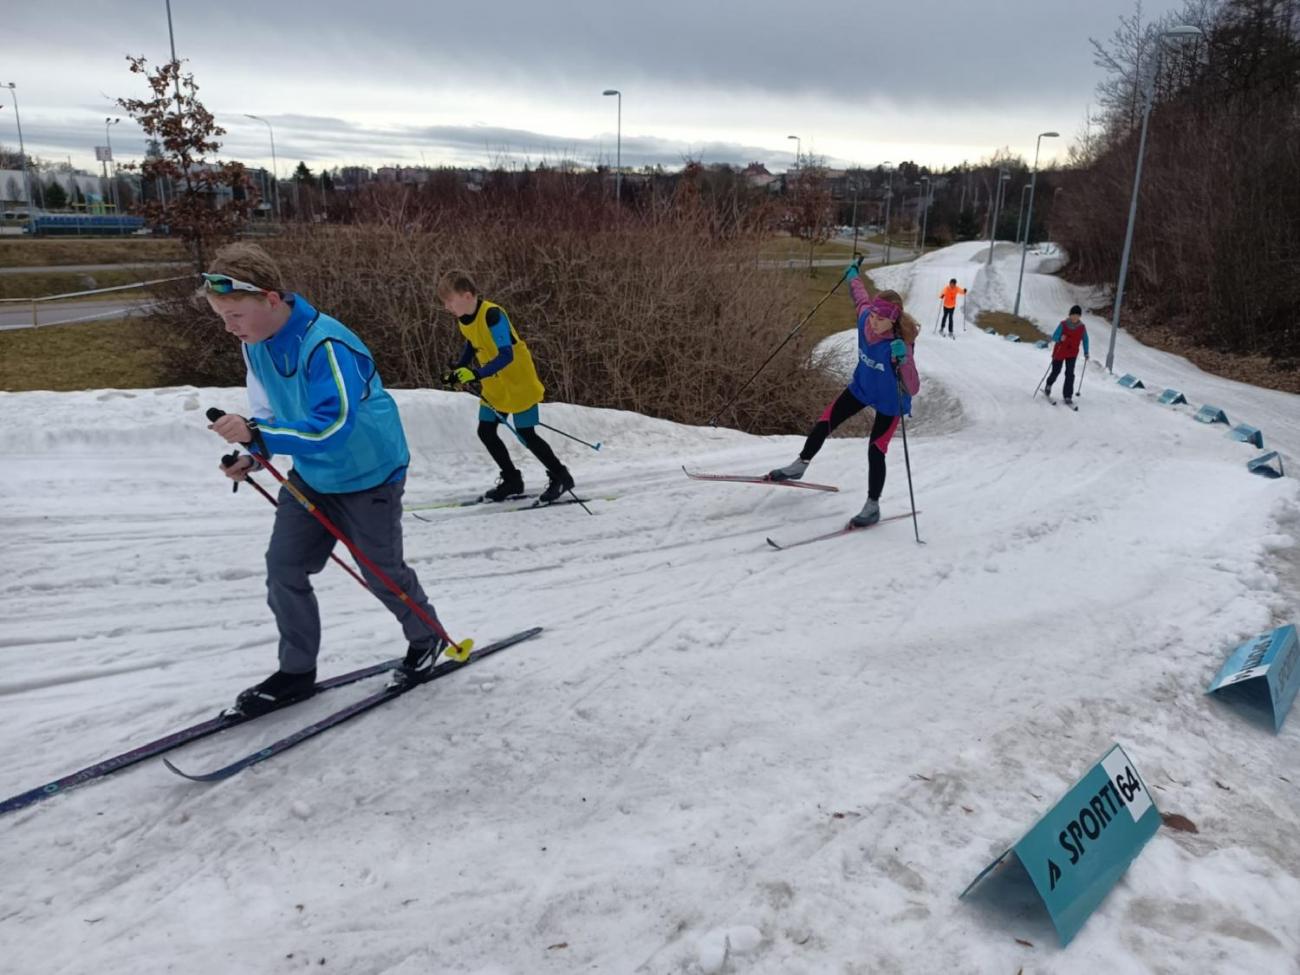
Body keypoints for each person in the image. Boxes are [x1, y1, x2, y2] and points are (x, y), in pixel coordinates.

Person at [204, 242, 444, 715]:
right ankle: (296, 671)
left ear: (270, 299)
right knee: (285, 568)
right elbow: (270, 416)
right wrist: (251, 455)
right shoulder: (256, 347)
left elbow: (332, 427)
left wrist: (260, 436)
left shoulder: (326, 344)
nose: (228, 327)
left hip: (369, 473)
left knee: (380, 571)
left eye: (235, 315)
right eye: (222, 316)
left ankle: (426, 637)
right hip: (312, 476)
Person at [768, 265, 920, 527]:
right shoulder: (865, 319)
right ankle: (800, 464)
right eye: (873, 315)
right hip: (861, 387)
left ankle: (872, 506)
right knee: (825, 421)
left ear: (893, 320)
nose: (874, 322)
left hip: (889, 401)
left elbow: (914, 387)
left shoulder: (899, 345)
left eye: (881, 319)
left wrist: (903, 360)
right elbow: (859, 297)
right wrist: (853, 277)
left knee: (875, 450)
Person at [437, 270, 575, 504]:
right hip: (496, 385)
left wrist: (475, 373)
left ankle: (561, 476)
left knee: (526, 433)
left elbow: (506, 355)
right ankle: (512, 480)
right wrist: (459, 368)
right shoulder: (464, 319)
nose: (447, 307)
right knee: (486, 431)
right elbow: (472, 342)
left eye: (449, 301)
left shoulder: (493, 315)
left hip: (519, 381)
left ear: (467, 296)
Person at [1044, 304, 1090, 405]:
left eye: (1077, 315)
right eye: (1073, 315)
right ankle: (1048, 384)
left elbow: (1085, 340)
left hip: (1072, 353)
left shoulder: (1082, 327)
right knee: (1056, 371)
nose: (1075, 317)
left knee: (1070, 374)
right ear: (1070, 315)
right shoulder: (1063, 324)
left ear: (1079, 316)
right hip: (1060, 351)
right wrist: (1060, 338)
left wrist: (1086, 352)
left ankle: (1068, 395)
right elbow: (1054, 336)